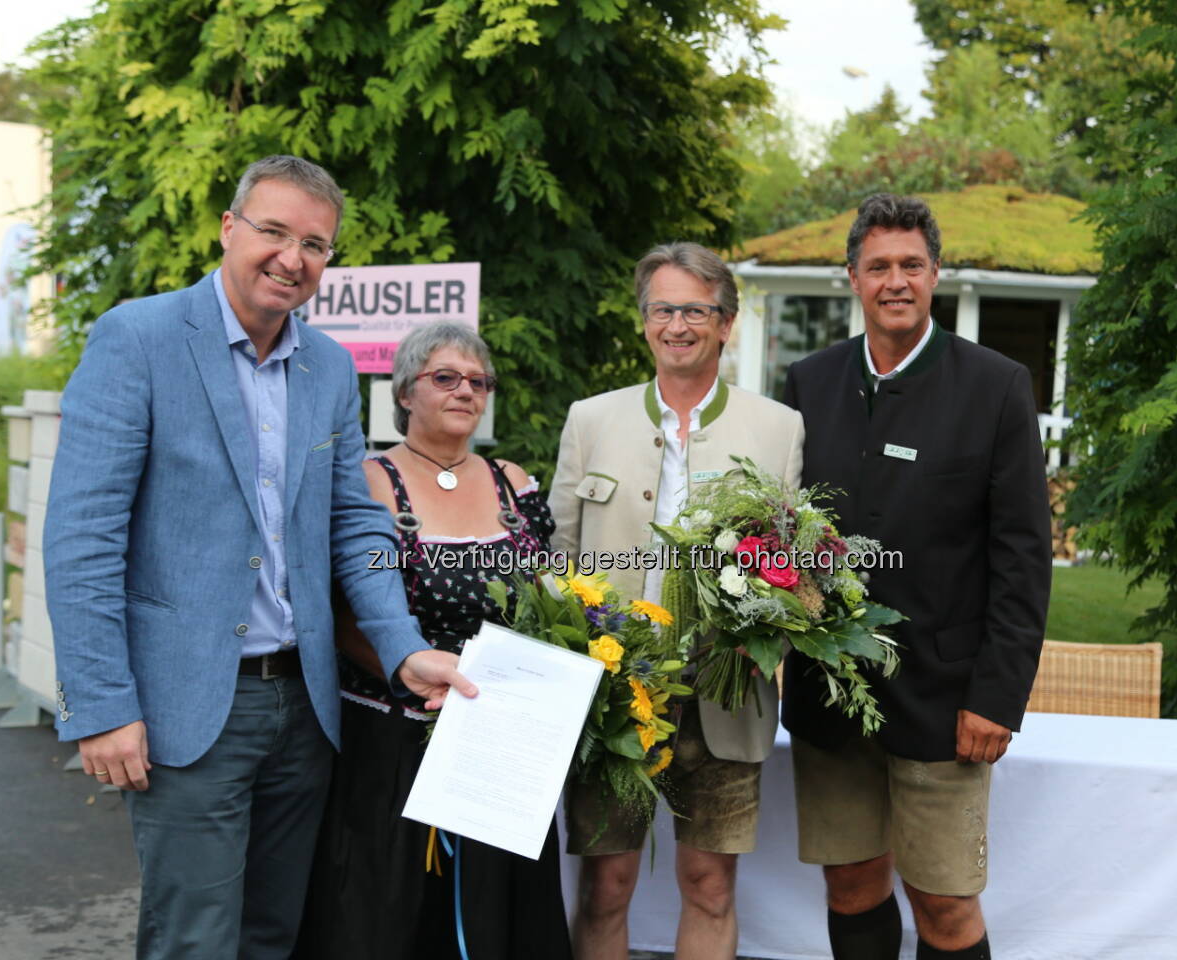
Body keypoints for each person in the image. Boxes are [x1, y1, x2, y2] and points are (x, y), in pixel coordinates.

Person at [44, 155, 473, 960]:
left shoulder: (329, 367)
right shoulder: (138, 338)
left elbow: (355, 525)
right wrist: (101, 703)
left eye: (314, 244)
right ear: (229, 228)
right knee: (195, 942)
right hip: (188, 710)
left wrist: (402, 646)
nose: (292, 257)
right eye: (273, 232)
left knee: (274, 937)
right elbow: (81, 539)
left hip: (306, 711)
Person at [780, 193, 1052, 960]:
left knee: (944, 903)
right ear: (852, 279)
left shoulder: (996, 386)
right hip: (831, 694)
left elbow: (1024, 558)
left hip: (947, 699)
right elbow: (784, 530)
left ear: (935, 274)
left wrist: (997, 695)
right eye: (878, 267)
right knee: (853, 884)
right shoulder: (810, 382)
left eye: (910, 265)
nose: (894, 280)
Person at [549, 241, 805, 960]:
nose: (678, 325)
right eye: (663, 309)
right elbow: (558, 563)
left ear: (726, 324)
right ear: (644, 322)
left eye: (696, 310)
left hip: (726, 694)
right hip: (614, 691)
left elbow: (793, 570)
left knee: (710, 884)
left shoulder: (778, 428)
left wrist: (762, 640)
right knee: (607, 884)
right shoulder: (590, 420)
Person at [294, 321, 573, 958]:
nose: (464, 391)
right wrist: (415, 676)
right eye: (444, 378)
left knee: (501, 912)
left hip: (499, 735)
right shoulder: (368, 480)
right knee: (390, 912)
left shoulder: (513, 483)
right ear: (404, 392)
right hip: (394, 731)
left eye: (478, 382)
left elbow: (550, 599)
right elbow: (340, 613)